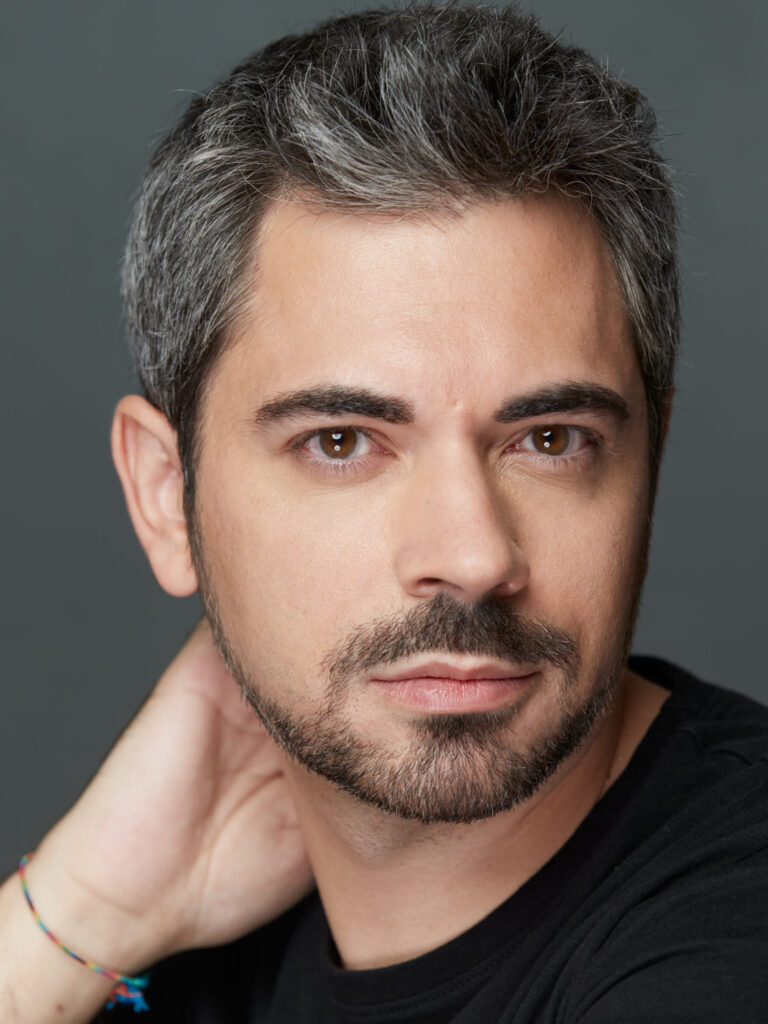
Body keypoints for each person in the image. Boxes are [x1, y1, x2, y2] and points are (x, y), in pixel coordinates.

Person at [2, 4, 767, 1021]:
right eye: (342, 442)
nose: (472, 555)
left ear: (649, 463)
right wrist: (83, 909)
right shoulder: (179, 936)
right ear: (164, 497)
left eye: (550, 439)